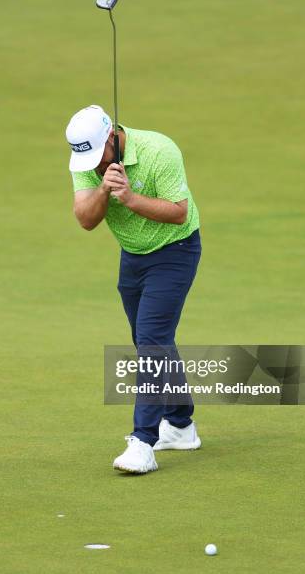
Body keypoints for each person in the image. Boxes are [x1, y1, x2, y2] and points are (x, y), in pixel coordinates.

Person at [65, 104, 202, 474]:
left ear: (112, 138)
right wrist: (103, 191)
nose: (93, 166)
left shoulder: (159, 151)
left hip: (175, 251)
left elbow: (180, 212)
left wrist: (128, 198)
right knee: (149, 341)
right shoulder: (86, 162)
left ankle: (143, 441)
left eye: (99, 157)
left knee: (152, 338)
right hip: (134, 256)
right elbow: (85, 220)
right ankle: (180, 425)